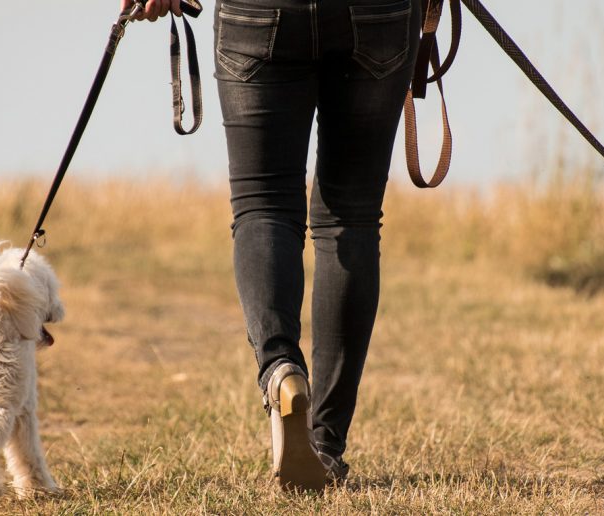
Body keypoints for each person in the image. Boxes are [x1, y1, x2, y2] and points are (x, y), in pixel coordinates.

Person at [123, 0, 421, 491]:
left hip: (258, 13)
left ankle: (280, 367)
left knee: (264, 204)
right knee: (351, 216)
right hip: (377, 15)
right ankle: (324, 445)